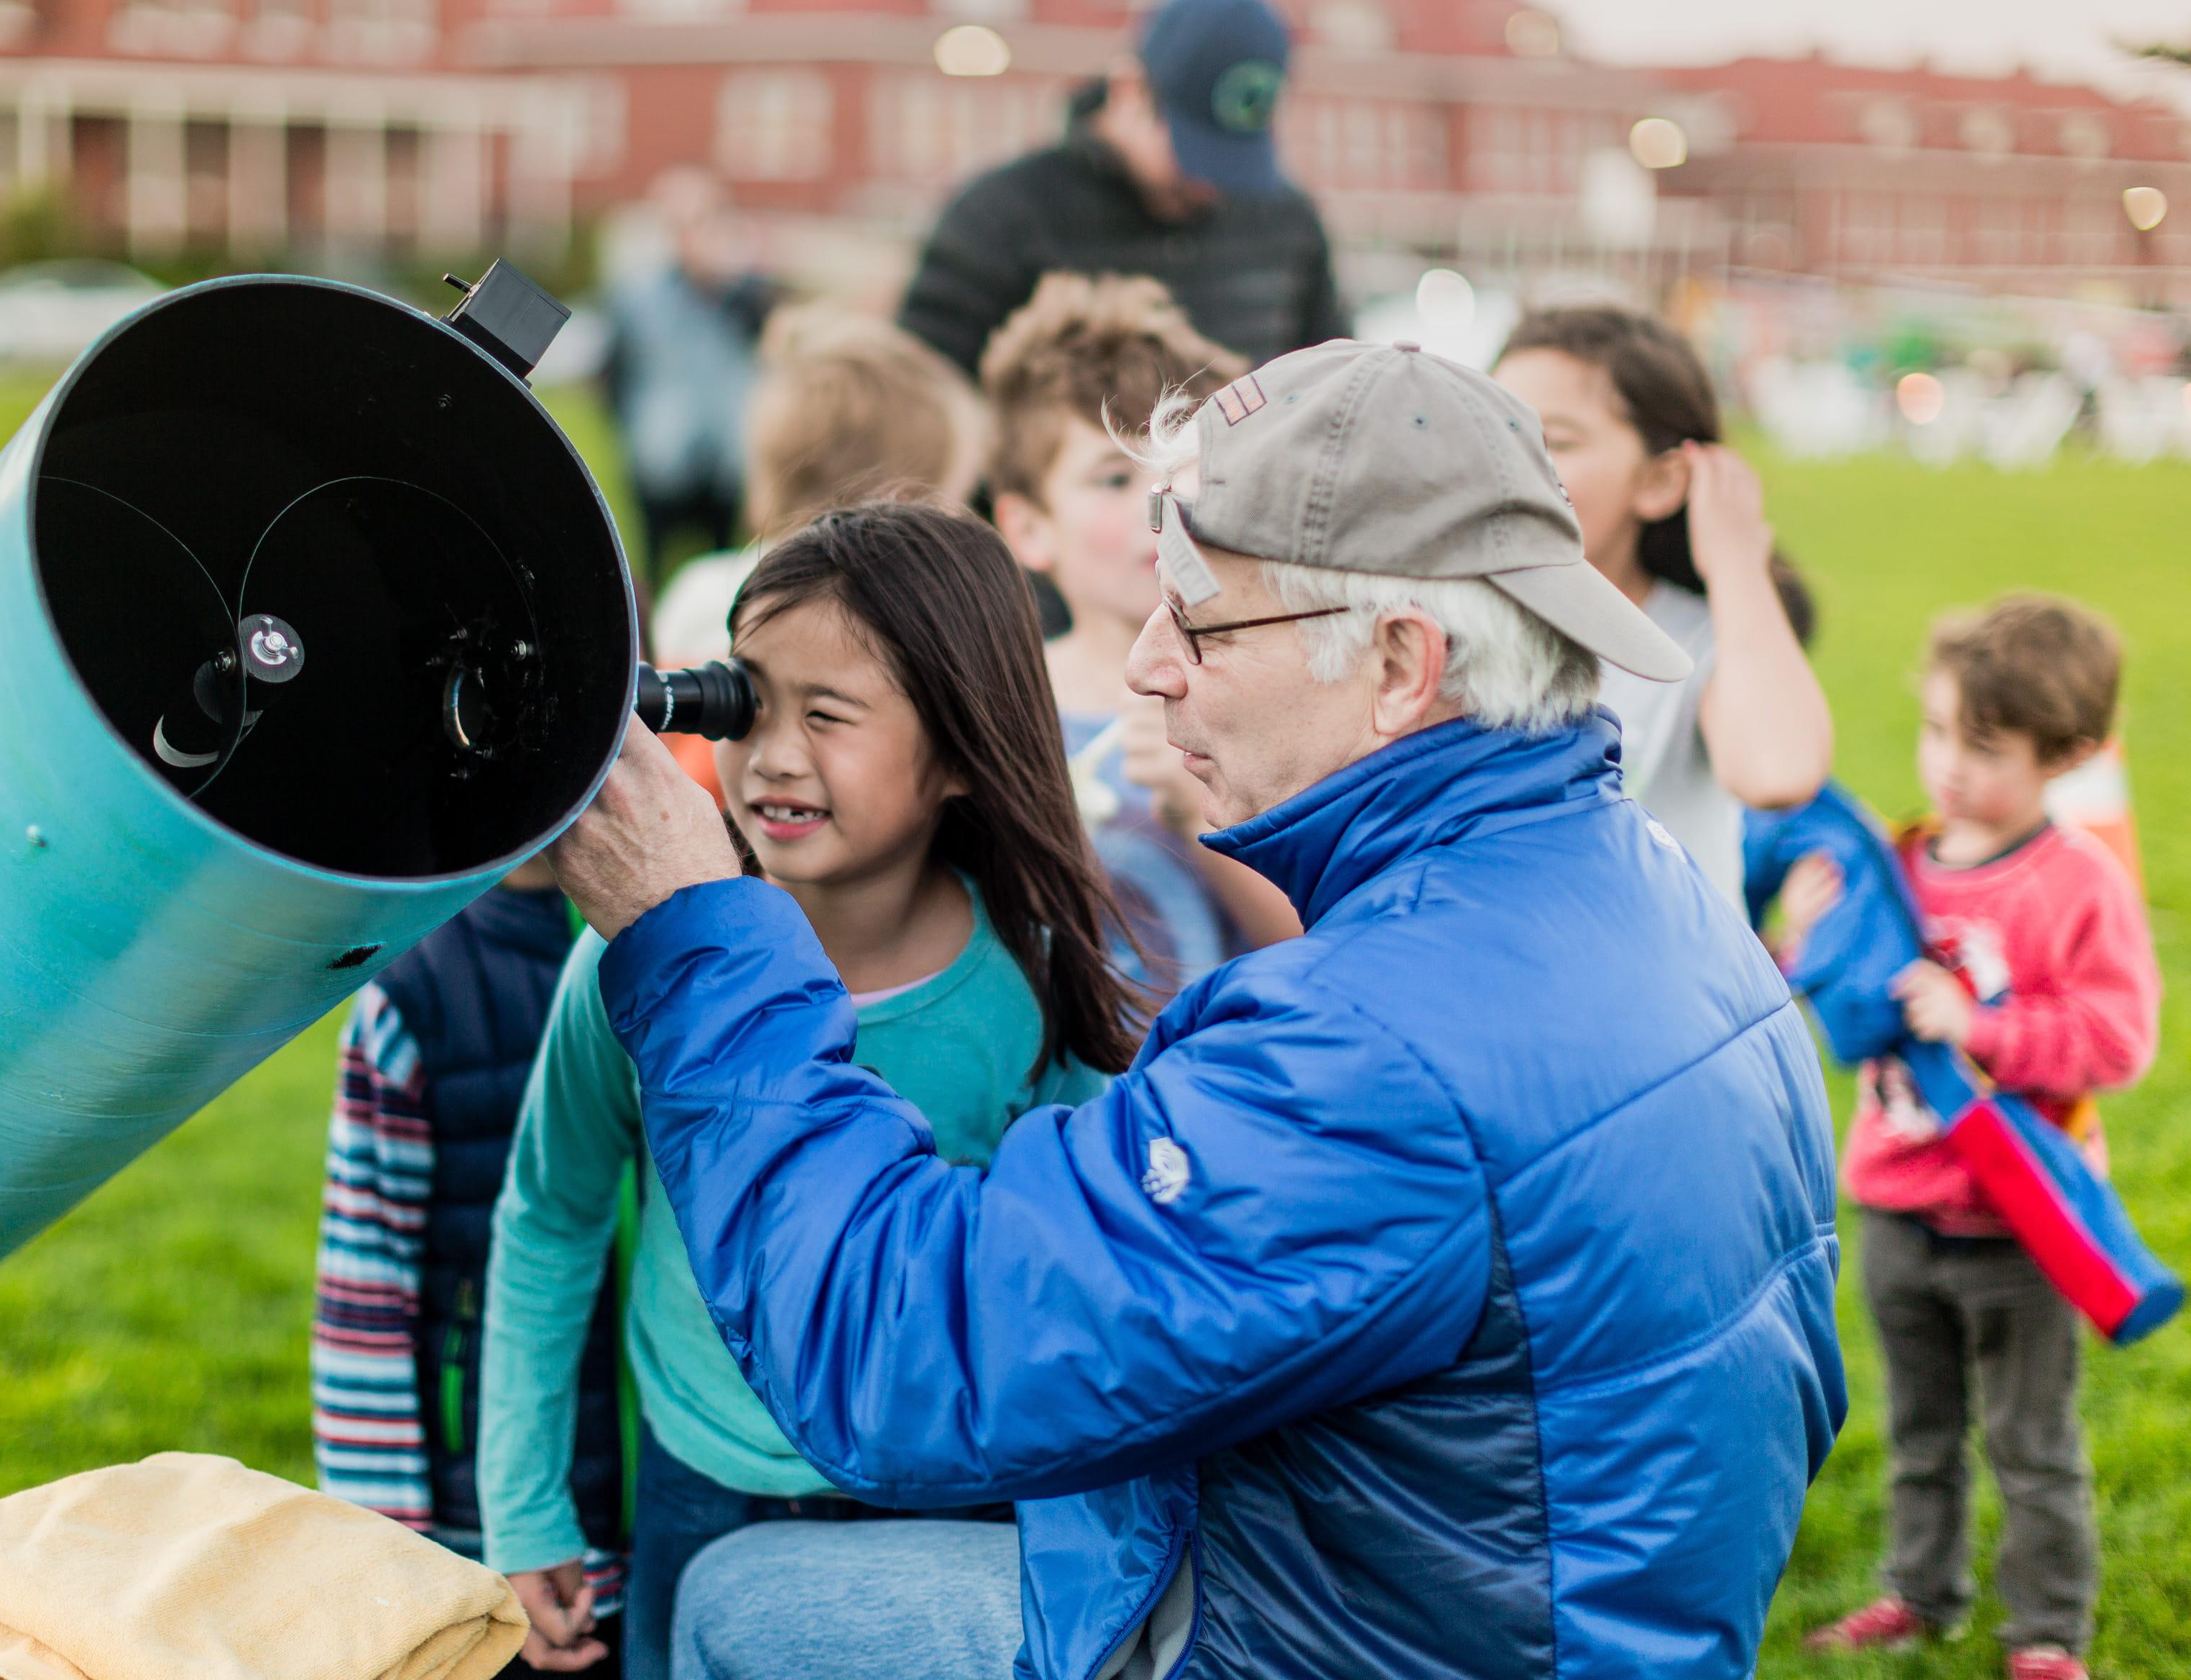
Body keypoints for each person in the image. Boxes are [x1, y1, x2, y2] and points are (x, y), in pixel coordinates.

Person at [543, 338, 1846, 1679]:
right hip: (1527, 1613)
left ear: (1401, 663)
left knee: (733, 1601)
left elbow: (901, 1356)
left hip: (1351, 1639)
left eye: (1205, 622)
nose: (1150, 668)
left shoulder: (1371, 1057)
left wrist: (694, 934)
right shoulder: (1669, 902)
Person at [479, 505, 1133, 1679]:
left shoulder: (1029, 992)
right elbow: (552, 1214)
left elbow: (1080, 1291)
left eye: (827, 716)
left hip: (943, 1499)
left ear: (960, 752)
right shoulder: (644, 956)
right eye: (747, 702)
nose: (773, 755)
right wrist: (524, 1507)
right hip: (701, 1484)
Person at [1792, 596, 2156, 1680]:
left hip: (2021, 1225)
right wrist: (1806, 942)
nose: (1948, 766)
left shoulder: (2078, 883)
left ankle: (2047, 1634)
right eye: (1940, 731)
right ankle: (1921, 1595)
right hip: (1898, 1208)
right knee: (1920, 1434)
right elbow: (1841, 1013)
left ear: (2070, 756)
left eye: (1985, 749)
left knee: (2032, 1447)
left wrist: (1981, 1024)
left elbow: (2119, 1039)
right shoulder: (1898, 857)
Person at [309, 859, 627, 1612]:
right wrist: (384, 1551)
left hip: (659, 1510)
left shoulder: (675, 955)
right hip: (478, 1536)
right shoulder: (411, 994)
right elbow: (364, 1287)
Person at [982, 272, 1299, 991]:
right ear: (1028, 526)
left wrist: (1199, 815)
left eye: (1180, 474)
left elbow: (1313, 942)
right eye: (1112, 479)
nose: (1155, 506)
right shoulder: (1002, 714)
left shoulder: (1275, 704)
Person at [1493, 305, 1832, 906]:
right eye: (1494, 432)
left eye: (1557, 440)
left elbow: (1779, 770)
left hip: (1665, 995)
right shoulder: (1436, 632)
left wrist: (1734, 560)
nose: (1510, 464)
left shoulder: (1690, 637)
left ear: (1659, 481)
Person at [898, 0, 1344, 383]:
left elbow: (1326, 381)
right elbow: (928, 406)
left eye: (1234, 157)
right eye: (1193, 151)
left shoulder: (1288, 221)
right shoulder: (1000, 218)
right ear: (1129, 89)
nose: (1213, 182)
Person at [647, 304, 986, 671]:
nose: (960, 519)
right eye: (954, 500)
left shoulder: (698, 591)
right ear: (899, 508)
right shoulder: (904, 634)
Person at [601, 168, 780, 583]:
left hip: (725, 459)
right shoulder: (639, 295)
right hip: (661, 455)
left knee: (727, 568)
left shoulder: (744, 292)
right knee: (654, 562)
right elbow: (617, 371)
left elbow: (767, 344)